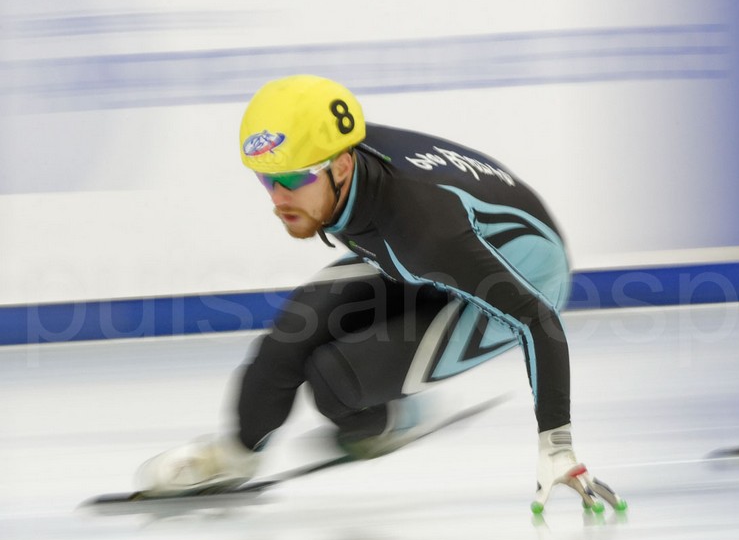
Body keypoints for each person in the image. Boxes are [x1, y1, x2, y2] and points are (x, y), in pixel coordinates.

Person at [138, 74, 625, 512]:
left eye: (294, 178)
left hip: (526, 279)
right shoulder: (342, 169)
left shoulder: (425, 227)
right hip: (435, 258)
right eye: (267, 180)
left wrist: (557, 446)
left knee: (335, 381)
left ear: (342, 167)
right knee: (291, 334)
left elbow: (537, 320)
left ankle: (392, 420)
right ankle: (237, 455)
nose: (279, 198)